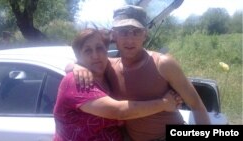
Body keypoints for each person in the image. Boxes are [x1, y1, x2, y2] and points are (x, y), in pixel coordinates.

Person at [73, 5, 210, 141]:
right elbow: (83, 61)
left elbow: (196, 105)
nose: (130, 40)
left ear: (145, 34)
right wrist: (77, 66)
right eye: (123, 31)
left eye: (136, 32)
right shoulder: (110, 66)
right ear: (114, 35)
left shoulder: (163, 64)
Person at [53, 28, 182, 141]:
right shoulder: (77, 81)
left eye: (99, 48)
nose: (95, 56)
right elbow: (119, 111)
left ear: (106, 51)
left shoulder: (107, 77)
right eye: (87, 51)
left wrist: (73, 64)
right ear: (78, 56)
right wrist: (164, 103)